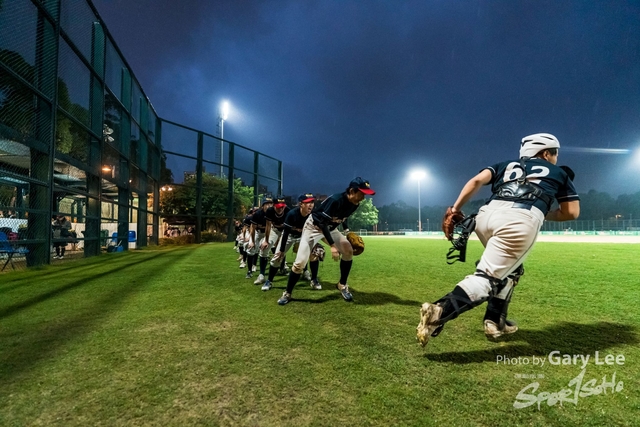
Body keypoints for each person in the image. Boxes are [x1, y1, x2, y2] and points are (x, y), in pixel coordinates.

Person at [416, 133, 580, 347]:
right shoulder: (559, 172)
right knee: (487, 277)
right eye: (555, 153)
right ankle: (440, 310)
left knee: (512, 271)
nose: (556, 157)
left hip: (485, 216)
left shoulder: (506, 164)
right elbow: (571, 213)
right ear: (546, 153)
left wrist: (454, 209)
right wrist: (542, 209)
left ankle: (495, 322)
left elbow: (475, 181)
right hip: (520, 219)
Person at [277, 177, 375, 305]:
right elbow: (322, 223)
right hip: (314, 227)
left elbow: (342, 218)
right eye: (362, 193)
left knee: (348, 250)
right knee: (300, 263)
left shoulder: (355, 204)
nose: (363, 196)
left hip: (330, 228)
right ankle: (287, 293)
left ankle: (342, 284)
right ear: (352, 191)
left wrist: (347, 231)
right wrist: (333, 246)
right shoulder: (336, 200)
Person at [262, 193, 317, 291]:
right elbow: (286, 232)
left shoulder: (313, 214)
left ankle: (312, 277)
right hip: (289, 236)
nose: (311, 205)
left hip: (303, 237)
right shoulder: (292, 214)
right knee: (277, 257)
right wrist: (282, 250)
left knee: (312, 254)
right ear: (301, 204)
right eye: (308, 202)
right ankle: (269, 281)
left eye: (312, 202)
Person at [254, 197, 290, 286]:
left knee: (281, 250)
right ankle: (261, 275)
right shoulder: (270, 211)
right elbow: (268, 226)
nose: (281, 208)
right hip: (274, 230)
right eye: (278, 206)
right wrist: (266, 240)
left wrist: (280, 240)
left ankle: (305, 271)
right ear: (274, 206)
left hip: (285, 231)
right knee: (264, 248)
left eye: (282, 206)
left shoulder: (288, 210)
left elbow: (288, 228)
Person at [246, 198, 273, 279]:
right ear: (262, 206)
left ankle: (282, 267)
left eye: (270, 204)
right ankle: (249, 270)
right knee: (251, 249)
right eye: (267, 204)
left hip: (268, 233)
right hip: (257, 233)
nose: (269, 206)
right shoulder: (257, 214)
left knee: (267, 249)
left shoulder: (273, 213)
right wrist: (252, 241)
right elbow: (252, 228)